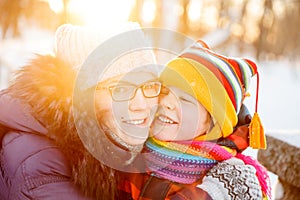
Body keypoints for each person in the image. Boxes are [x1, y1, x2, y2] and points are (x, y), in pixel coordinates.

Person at [0, 22, 161, 199]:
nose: (142, 104)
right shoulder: (42, 167)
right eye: (119, 89)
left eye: (149, 85)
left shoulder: (114, 143)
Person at [139, 40, 271, 200]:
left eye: (184, 100)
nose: (166, 102)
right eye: (164, 91)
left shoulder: (223, 183)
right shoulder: (133, 156)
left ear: (212, 124)